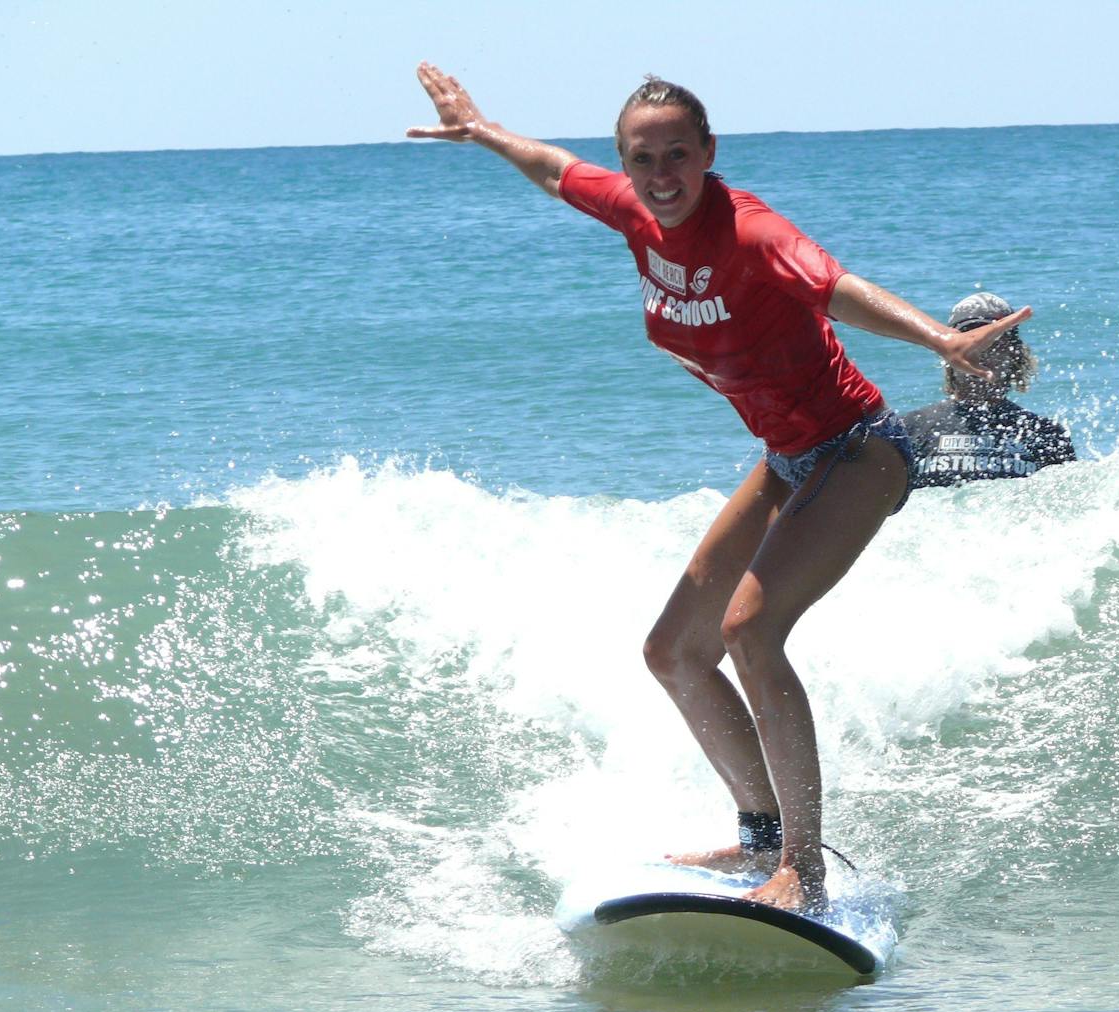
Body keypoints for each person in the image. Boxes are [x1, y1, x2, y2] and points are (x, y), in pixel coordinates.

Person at [409, 65, 1030, 910]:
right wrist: (482, 130)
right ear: (626, 164)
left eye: (677, 154)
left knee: (749, 629)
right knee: (674, 651)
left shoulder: (750, 231)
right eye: (642, 158)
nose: (661, 175)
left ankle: (803, 869)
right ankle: (762, 839)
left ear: (708, 152)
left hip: (858, 451)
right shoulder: (633, 211)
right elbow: (557, 170)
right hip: (786, 458)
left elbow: (834, 287)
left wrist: (939, 341)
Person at [903, 292, 1076, 490]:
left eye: (994, 341)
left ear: (1014, 353)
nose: (980, 351)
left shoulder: (1045, 434)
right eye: (970, 339)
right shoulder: (908, 430)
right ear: (949, 351)